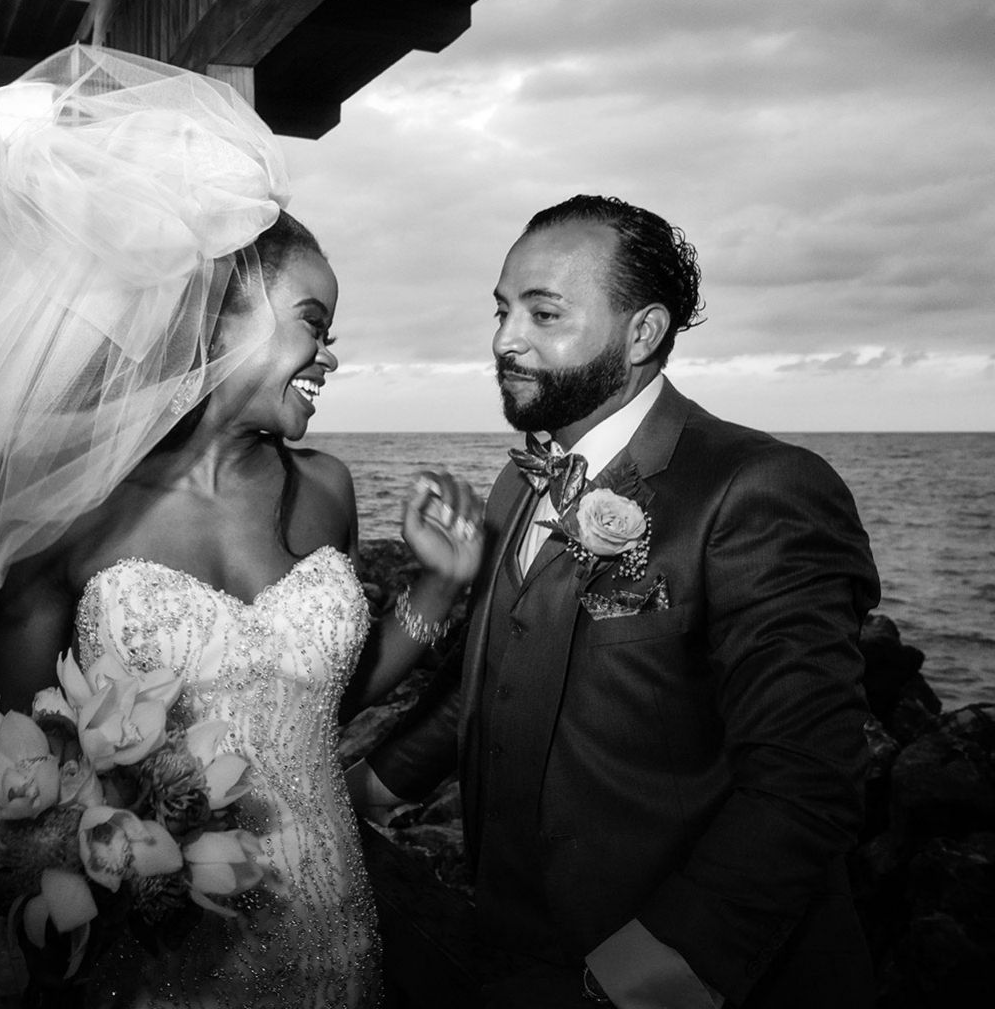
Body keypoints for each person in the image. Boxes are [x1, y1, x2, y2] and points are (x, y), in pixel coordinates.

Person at [0, 45, 482, 1007]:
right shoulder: (70, 511)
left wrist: (440, 587)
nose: (331, 354)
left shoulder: (325, 488)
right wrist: (66, 908)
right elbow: (13, 775)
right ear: (215, 320)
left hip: (329, 912)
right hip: (165, 952)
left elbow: (321, 707)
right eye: (313, 323)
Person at [352, 195, 879, 1008]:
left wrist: (647, 971)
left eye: (544, 313)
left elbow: (807, 776)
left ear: (641, 333)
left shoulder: (757, 487)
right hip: (513, 946)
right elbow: (488, 680)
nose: (504, 339)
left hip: (679, 973)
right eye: (500, 311)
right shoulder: (511, 489)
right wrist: (367, 794)